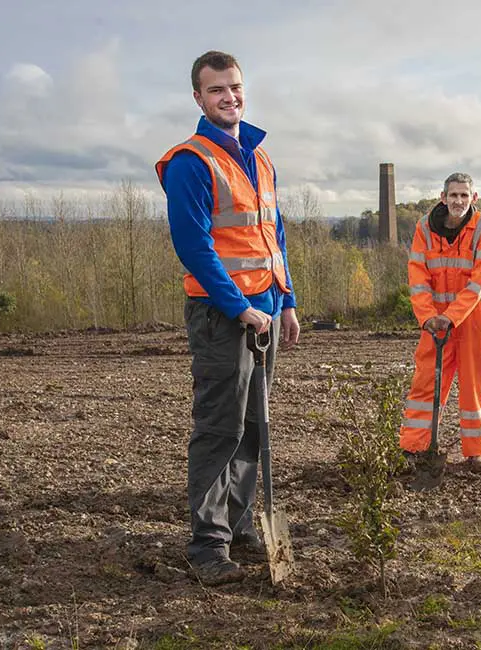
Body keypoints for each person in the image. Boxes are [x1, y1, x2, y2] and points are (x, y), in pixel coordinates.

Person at [154, 50, 300, 585]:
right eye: (217, 90)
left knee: (255, 427)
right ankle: (207, 544)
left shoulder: (259, 156)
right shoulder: (191, 161)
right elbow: (194, 247)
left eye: (235, 87)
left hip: (266, 309)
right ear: (198, 98)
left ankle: (238, 523)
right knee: (220, 427)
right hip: (222, 316)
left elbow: (273, 234)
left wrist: (286, 302)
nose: (229, 97)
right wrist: (239, 306)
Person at [399, 173, 481, 473]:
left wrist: (451, 317)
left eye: (464, 196)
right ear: (443, 197)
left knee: (475, 385)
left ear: (473, 198)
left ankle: (476, 453)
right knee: (426, 383)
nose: (458, 201)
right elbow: (418, 276)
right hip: (434, 323)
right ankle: (415, 447)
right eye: (453, 196)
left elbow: (480, 279)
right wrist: (428, 316)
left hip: (473, 321)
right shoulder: (424, 228)